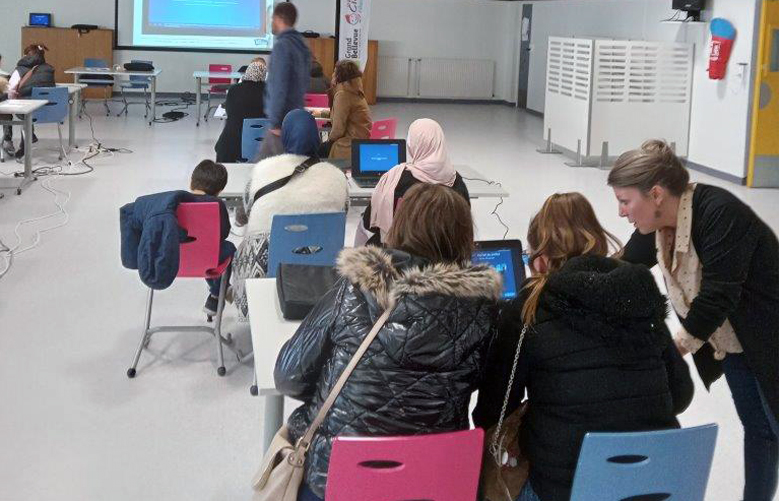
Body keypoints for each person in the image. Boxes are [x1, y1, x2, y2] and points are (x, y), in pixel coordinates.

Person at [275, 183, 503, 501]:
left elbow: (288, 376)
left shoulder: (354, 288)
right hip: (431, 483)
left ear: (400, 226)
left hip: (337, 479)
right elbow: (485, 390)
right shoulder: (484, 312)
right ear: (464, 238)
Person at [473, 192, 694, 501]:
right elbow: (681, 395)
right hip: (655, 485)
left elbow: (490, 414)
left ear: (539, 259)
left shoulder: (528, 308)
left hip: (568, 489)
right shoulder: (639, 290)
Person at [609, 140, 779, 501]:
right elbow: (622, 268)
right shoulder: (657, 225)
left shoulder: (719, 212)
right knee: (760, 429)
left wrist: (673, 349)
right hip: (731, 341)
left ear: (655, 194)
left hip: (769, 332)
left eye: (626, 201)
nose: (622, 212)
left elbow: (719, 294)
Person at [231, 109, 348, 320]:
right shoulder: (337, 177)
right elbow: (344, 212)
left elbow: (244, 215)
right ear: (317, 137)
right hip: (322, 269)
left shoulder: (263, 170)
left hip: (265, 267)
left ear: (285, 136)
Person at [355, 118, 470, 246]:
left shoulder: (396, 179)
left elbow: (369, 224)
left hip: (400, 255)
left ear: (412, 144)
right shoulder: (456, 182)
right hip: (444, 258)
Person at [256, 1, 311, 161]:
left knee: (262, 169)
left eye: (272, 18)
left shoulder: (282, 47)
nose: (271, 22)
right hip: (295, 118)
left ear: (280, 18)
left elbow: (278, 87)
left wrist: (275, 122)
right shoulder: (302, 46)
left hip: (281, 123)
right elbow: (304, 83)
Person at [188, 160, 236, 316]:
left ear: (191, 183)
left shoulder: (177, 200)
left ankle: (218, 293)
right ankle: (217, 293)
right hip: (207, 257)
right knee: (228, 249)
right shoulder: (217, 204)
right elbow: (223, 233)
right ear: (219, 190)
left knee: (205, 254)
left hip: (179, 258)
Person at [3, 44, 55, 157]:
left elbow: (10, 91)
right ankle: (29, 135)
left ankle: (9, 141)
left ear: (25, 56)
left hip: (26, 111)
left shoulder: (20, 70)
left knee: (9, 112)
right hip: (49, 111)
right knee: (30, 109)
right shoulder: (49, 69)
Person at [214, 60, 267, 163]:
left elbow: (229, 113)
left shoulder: (234, 90)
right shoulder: (270, 92)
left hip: (232, 146)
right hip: (261, 145)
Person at [318, 60, 371, 160]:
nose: (332, 74)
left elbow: (338, 130)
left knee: (315, 151)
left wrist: (328, 141)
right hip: (361, 141)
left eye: (334, 71)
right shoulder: (356, 91)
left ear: (339, 75)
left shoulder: (343, 95)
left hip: (348, 145)